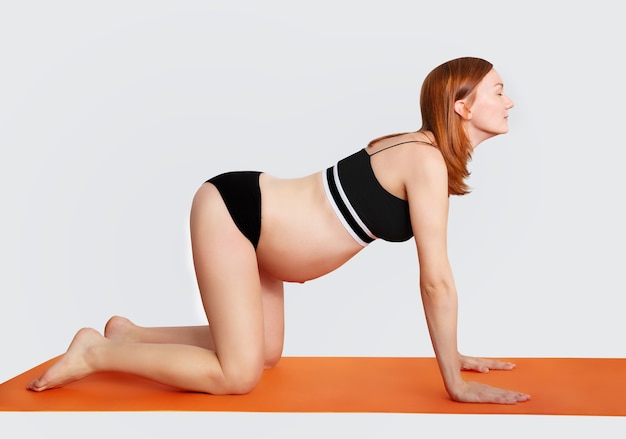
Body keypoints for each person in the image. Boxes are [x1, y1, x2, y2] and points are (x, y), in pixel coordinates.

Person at [28, 56, 530, 404]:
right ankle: (97, 352)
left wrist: (454, 352)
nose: (509, 102)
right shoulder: (425, 161)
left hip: (263, 232)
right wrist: (453, 381)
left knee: (265, 353)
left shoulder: (421, 151)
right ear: (463, 106)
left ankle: (130, 334)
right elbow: (435, 279)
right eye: (499, 91)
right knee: (238, 374)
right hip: (238, 214)